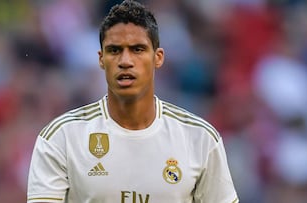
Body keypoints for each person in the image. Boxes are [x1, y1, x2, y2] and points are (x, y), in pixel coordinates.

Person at [27, 0, 239, 202]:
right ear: (101, 59)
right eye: (114, 50)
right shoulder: (61, 138)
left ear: (158, 57)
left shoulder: (200, 139)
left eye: (137, 49)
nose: (125, 61)